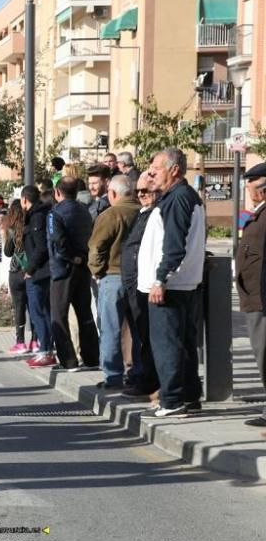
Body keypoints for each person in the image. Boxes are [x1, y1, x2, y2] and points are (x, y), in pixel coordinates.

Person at [139, 148, 206, 417]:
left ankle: (172, 400)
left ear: (174, 169)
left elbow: (174, 245)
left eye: (157, 168)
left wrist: (160, 280)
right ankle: (188, 396)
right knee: (183, 344)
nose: (151, 172)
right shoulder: (183, 197)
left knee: (166, 345)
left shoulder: (178, 199)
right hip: (182, 284)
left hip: (171, 286)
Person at [88, 174, 140, 390]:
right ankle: (137, 373)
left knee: (110, 329)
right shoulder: (143, 212)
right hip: (138, 279)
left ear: (113, 193)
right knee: (137, 330)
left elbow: (96, 246)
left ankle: (113, 376)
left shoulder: (111, 214)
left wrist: (97, 271)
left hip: (113, 276)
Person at [48, 177, 99, 371]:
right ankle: (92, 357)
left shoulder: (56, 213)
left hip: (63, 269)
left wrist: (71, 256)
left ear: (57, 192)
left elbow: (57, 240)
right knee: (84, 312)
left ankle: (68, 360)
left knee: (59, 316)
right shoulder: (85, 211)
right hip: (83, 268)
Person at [118, 168, 161, 400]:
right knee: (139, 335)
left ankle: (149, 382)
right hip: (134, 285)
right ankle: (142, 377)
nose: (142, 194)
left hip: (145, 285)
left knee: (146, 337)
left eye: (146, 190)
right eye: (139, 191)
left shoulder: (157, 213)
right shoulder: (143, 212)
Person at [236, 163, 266, 425]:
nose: (249, 192)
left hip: (261, 298)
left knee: (264, 352)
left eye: (252, 188)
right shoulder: (259, 214)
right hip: (254, 297)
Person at [21, 186, 56, 367]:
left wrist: (30, 268)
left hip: (39, 273)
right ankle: (47, 350)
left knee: (38, 312)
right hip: (43, 271)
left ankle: (46, 351)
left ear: (25, 200)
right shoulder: (41, 213)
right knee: (44, 312)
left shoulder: (37, 217)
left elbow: (40, 247)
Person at [2, 199, 34, 354]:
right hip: (31, 271)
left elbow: (7, 252)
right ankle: (36, 340)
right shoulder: (31, 226)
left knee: (19, 307)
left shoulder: (13, 229)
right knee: (33, 307)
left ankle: (20, 342)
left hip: (16, 272)